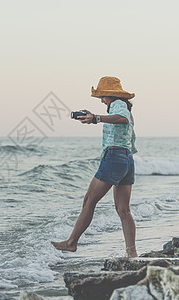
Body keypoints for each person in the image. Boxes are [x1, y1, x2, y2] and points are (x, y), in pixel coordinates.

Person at [51, 76, 138, 258]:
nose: (101, 100)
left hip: (114, 157)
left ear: (110, 94)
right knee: (124, 210)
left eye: (103, 96)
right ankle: (132, 253)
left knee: (89, 201)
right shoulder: (119, 105)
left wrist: (96, 118)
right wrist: (93, 117)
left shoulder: (118, 105)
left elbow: (123, 118)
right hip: (126, 159)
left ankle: (71, 242)